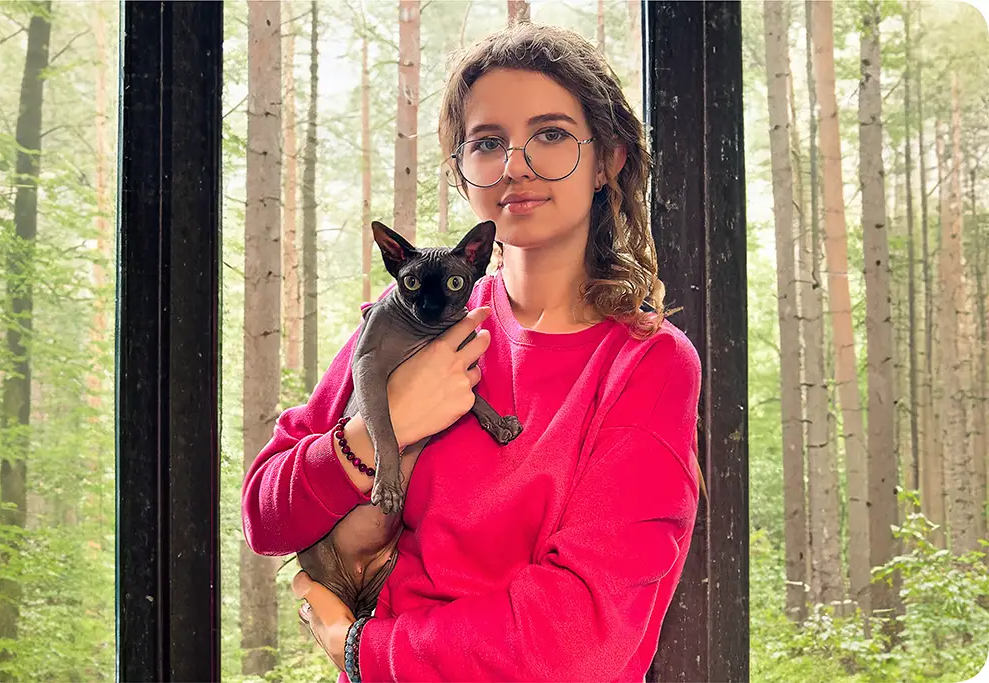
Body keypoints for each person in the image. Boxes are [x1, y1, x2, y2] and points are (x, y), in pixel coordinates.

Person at [241, 22, 702, 682]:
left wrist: (362, 650)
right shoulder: (407, 315)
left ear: (608, 160)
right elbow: (265, 516)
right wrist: (379, 430)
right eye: (487, 142)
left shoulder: (646, 365)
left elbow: (578, 639)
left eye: (550, 134)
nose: (515, 165)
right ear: (462, 172)